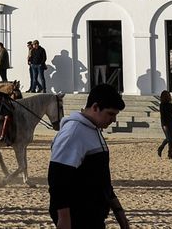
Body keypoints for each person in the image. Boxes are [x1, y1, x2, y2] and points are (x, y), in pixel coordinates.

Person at [49, 83, 130, 229]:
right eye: (110, 114)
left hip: (94, 215)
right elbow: (57, 179)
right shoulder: (73, 132)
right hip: (77, 217)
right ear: (95, 107)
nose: (113, 120)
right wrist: (64, 219)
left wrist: (119, 211)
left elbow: (101, 177)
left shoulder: (93, 129)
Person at [155, 90, 172, 159]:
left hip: (171, 122)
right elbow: (163, 115)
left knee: (171, 139)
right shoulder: (162, 105)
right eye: (168, 95)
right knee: (168, 138)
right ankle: (160, 148)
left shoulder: (171, 105)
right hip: (165, 123)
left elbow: (171, 115)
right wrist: (164, 124)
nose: (169, 96)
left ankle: (170, 154)